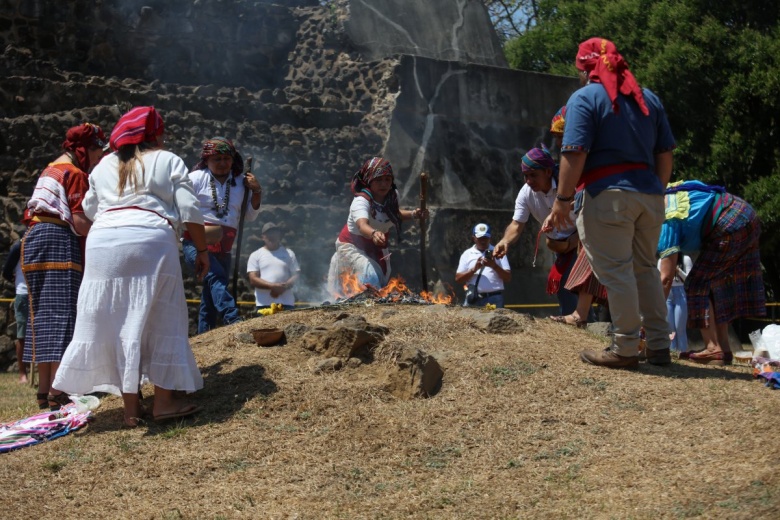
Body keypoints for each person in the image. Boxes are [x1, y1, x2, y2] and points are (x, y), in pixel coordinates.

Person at [52, 106, 209, 427]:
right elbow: (190, 209)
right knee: (163, 315)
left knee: (113, 318)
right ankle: (163, 402)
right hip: (150, 236)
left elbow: (91, 209)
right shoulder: (168, 160)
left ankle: (130, 409)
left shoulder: (103, 165)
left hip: (103, 241)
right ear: (154, 134)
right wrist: (203, 250)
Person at [548, 37, 676, 369]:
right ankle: (659, 345)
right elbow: (665, 154)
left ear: (586, 67)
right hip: (650, 194)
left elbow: (574, 151)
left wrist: (562, 200)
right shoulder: (648, 98)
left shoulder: (585, 98)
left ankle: (625, 348)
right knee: (645, 268)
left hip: (607, 194)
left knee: (617, 272)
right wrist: (654, 193)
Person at [22, 122, 106, 410]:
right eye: (96, 152)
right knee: (62, 312)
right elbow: (81, 225)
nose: (97, 159)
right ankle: (60, 389)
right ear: (84, 148)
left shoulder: (50, 169)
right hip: (58, 238)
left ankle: (44, 390)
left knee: (44, 314)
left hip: (33, 238)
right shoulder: (75, 173)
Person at [658, 180, 765, 365]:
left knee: (696, 283)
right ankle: (724, 350)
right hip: (744, 212)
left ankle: (712, 348)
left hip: (730, 221)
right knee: (717, 286)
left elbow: (666, 278)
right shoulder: (673, 190)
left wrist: (651, 320)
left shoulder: (667, 218)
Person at [183, 137, 262, 334]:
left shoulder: (241, 184)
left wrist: (257, 192)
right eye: (216, 159)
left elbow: (249, 217)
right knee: (216, 278)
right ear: (207, 160)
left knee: (210, 294)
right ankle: (232, 317)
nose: (222, 163)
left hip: (224, 247)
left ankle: (204, 335)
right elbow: (181, 209)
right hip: (196, 243)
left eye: (226, 158)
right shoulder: (195, 179)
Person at [493, 146, 577, 315]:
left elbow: (585, 204)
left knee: (579, 287)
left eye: (533, 175)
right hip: (558, 246)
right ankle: (579, 325)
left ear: (547, 171)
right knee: (563, 289)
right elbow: (516, 225)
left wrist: (556, 215)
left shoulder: (566, 183)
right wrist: (505, 241)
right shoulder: (526, 193)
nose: (528, 181)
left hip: (582, 239)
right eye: (525, 176)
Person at [327, 157, 427, 297]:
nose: (384, 184)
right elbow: (362, 225)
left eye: (387, 179)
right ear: (369, 180)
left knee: (381, 283)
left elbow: (393, 214)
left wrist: (414, 214)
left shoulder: (392, 196)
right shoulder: (360, 201)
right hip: (352, 246)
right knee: (371, 277)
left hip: (377, 247)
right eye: (379, 180)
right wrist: (374, 233)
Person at [247, 222, 300, 312]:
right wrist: (272, 286)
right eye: (268, 234)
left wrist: (284, 287)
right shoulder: (255, 255)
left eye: (274, 233)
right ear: (263, 237)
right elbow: (253, 279)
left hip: (286, 304)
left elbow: (296, 274)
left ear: (279, 235)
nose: (272, 236)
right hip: (264, 305)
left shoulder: (289, 253)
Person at [456, 223, 511, 307]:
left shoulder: (498, 252)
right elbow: (458, 279)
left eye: (485, 238)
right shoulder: (467, 254)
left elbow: (508, 278)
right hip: (473, 297)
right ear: (473, 238)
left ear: (490, 238)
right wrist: (474, 269)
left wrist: (494, 266)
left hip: (494, 298)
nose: (483, 241)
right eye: (480, 238)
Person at [2, 240, 29, 384]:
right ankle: (22, 374)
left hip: (41, 292)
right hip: (23, 293)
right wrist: (18, 280)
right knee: (22, 334)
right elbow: (6, 271)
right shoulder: (19, 246)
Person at [658, 253, 693, 353]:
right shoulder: (661, 260)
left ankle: (682, 351)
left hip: (680, 292)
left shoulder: (685, 259)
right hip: (667, 293)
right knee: (670, 328)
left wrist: (678, 270)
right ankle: (671, 351)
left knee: (679, 327)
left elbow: (689, 280)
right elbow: (658, 278)